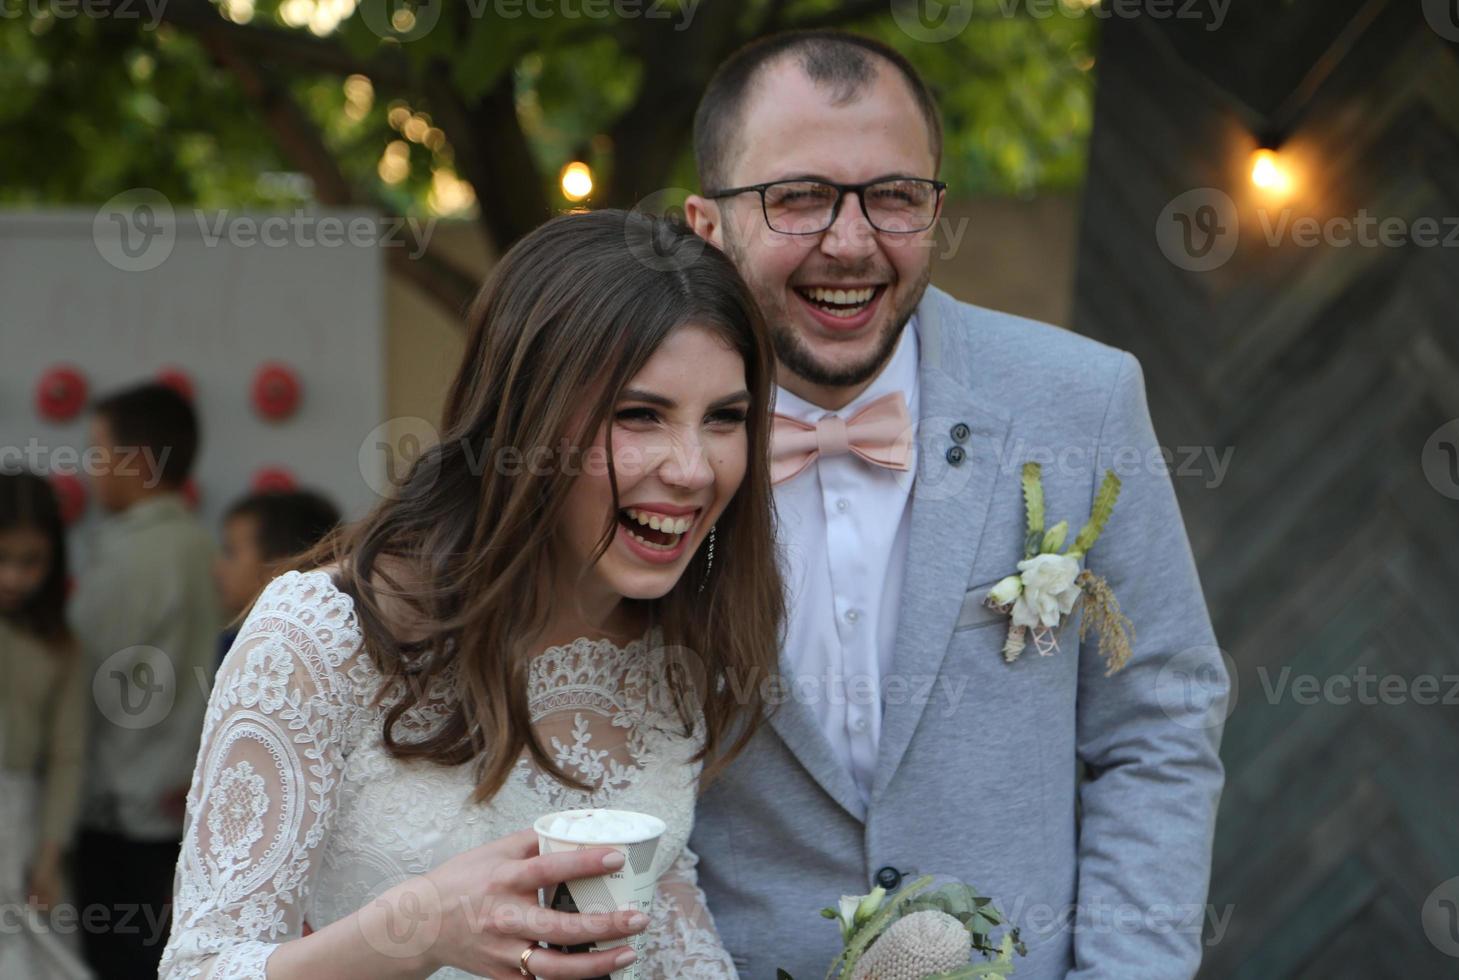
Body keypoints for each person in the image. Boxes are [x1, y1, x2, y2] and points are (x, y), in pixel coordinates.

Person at [683, 30, 1229, 979]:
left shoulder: (1082, 399)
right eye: (798, 197)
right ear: (707, 224)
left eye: (894, 196)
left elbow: (1160, 720)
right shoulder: (643, 436)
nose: (849, 244)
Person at [159, 210, 784, 979]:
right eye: (639, 415)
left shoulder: (681, 643)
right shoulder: (321, 637)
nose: (693, 469)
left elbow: (662, 919)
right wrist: (416, 929)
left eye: (725, 418)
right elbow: (199, 967)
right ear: (525, 417)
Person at [69, 382, 222, 978]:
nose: (89, 468)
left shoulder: (134, 559)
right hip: (177, 800)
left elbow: (79, 678)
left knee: (121, 962)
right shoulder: (198, 545)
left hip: (120, 810)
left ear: (136, 461)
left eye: (97, 450)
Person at [0, 469, 91, 980]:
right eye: (3, 557)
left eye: (30, 561)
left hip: (22, 822)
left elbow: (66, 755)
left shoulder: (61, 645)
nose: (14, 576)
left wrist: (50, 854)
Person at [213, 489, 341, 665]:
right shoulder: (235, 640)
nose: (217, 569)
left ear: (280, 566)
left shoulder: (283, 658)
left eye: (231, 552)